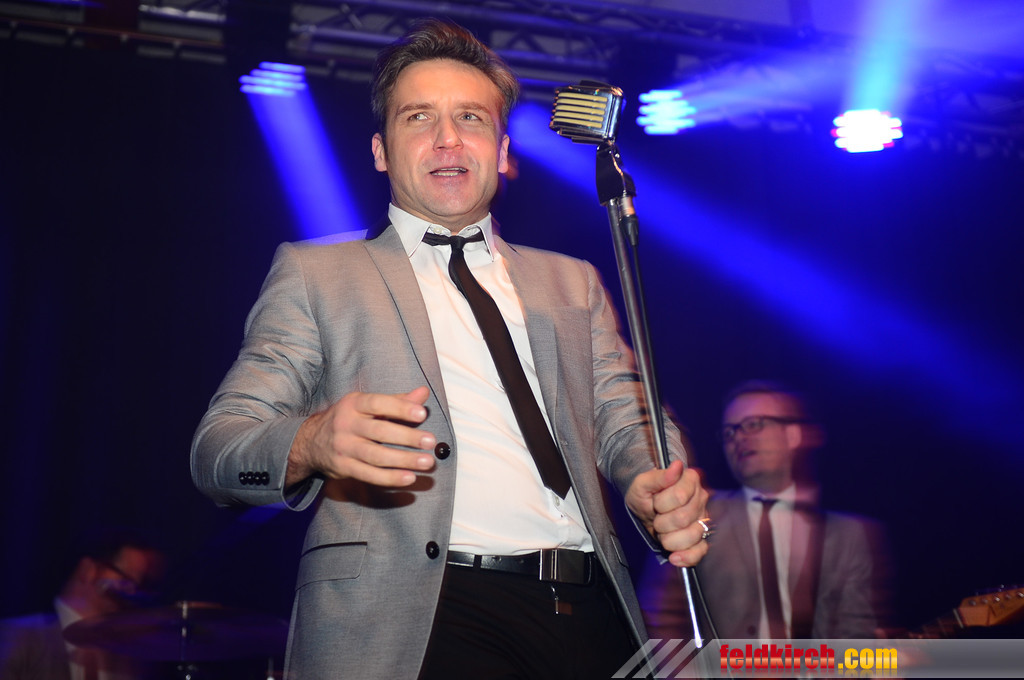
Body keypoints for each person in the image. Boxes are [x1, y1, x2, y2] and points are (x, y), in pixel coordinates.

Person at [191, 18, 709, 680]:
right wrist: (310, 442)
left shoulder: (570, 280)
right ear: (380, 151)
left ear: (502, 149)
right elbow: (219, 452)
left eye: (470, 117)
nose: (447, 138)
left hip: (587, 604)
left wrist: (650, 482)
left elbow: (626, 415)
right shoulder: (317, 273)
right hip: (421, 612)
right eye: (418, 118)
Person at [640, 380, 890, 640]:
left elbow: (856, 635)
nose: (739, 437)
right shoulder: (695, 513)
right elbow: (659, 622)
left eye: (754, 424)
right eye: (729, 432)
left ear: (793, 435)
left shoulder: (852, 536)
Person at [0, 528, 166, 680]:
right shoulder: (17, 636)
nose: (132, 591)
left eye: (139, 584)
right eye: (126, 577)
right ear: (89, 570)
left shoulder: (129, 659)